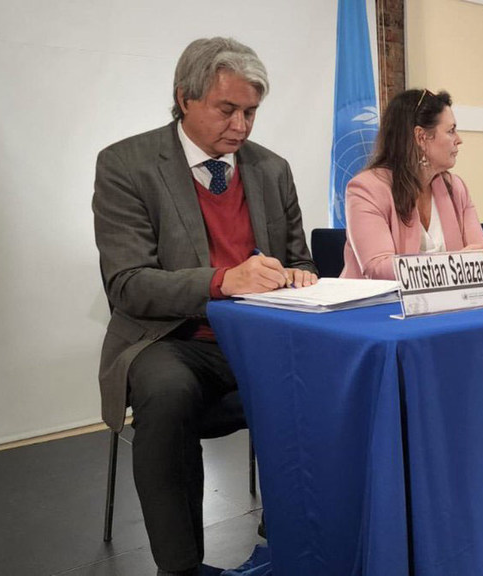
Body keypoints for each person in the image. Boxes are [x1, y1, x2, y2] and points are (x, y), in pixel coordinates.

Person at [92, 37, 317, 576]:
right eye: (228, 109)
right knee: (167, 396)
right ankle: (181, 566)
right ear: (184, 98)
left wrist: (295, 275)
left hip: (255, 336)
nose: (241, 125)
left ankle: (295, 532)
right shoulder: (126, 164)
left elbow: (299, 259)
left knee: (332, 376)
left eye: (251, 111)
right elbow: (127, 284)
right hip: (170, 338)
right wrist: (222, 281)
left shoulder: (272, 168)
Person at [341, 88, 483, 279]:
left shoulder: (456, 187)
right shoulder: (365, 189)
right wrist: (457, 263)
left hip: (445, 305)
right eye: (451, 131)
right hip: (377, 306)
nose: (459, 140)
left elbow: (477, 253)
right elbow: (377, 268)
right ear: (421, 137)